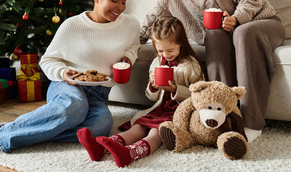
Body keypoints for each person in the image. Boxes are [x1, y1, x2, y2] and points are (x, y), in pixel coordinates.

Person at [0, 0, 140, 156]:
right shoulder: (72, 26)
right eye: (115, 0)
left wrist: (128, 57)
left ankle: (25, 128)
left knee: (99, 127)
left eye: (124, 2)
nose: (120, 7)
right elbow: (47, 60)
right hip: (66, 86)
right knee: (74, 107)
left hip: (99, 92)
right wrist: (63, 72)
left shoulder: (130, 24)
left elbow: (134, 46)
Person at [140, 0, 285, 143]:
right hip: (227, 35)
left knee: (243, 32)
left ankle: (252, 122)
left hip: (262, 23)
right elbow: (152, 18)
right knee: (213, 34)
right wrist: (129, 44)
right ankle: (224, 116)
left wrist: (236, 19)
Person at [77, 16, 204, 167]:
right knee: (139, 126)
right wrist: (153, 86)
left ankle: (130, 153)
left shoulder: (191, 65)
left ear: (181, 44)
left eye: (170, 50)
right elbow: (151, 97)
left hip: (179, 112)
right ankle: (102, 148)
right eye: (160, 50)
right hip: (159, 109)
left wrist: (175, 89)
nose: (165, 55)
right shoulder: (157, 63)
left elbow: (199, 96)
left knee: (155, 132)